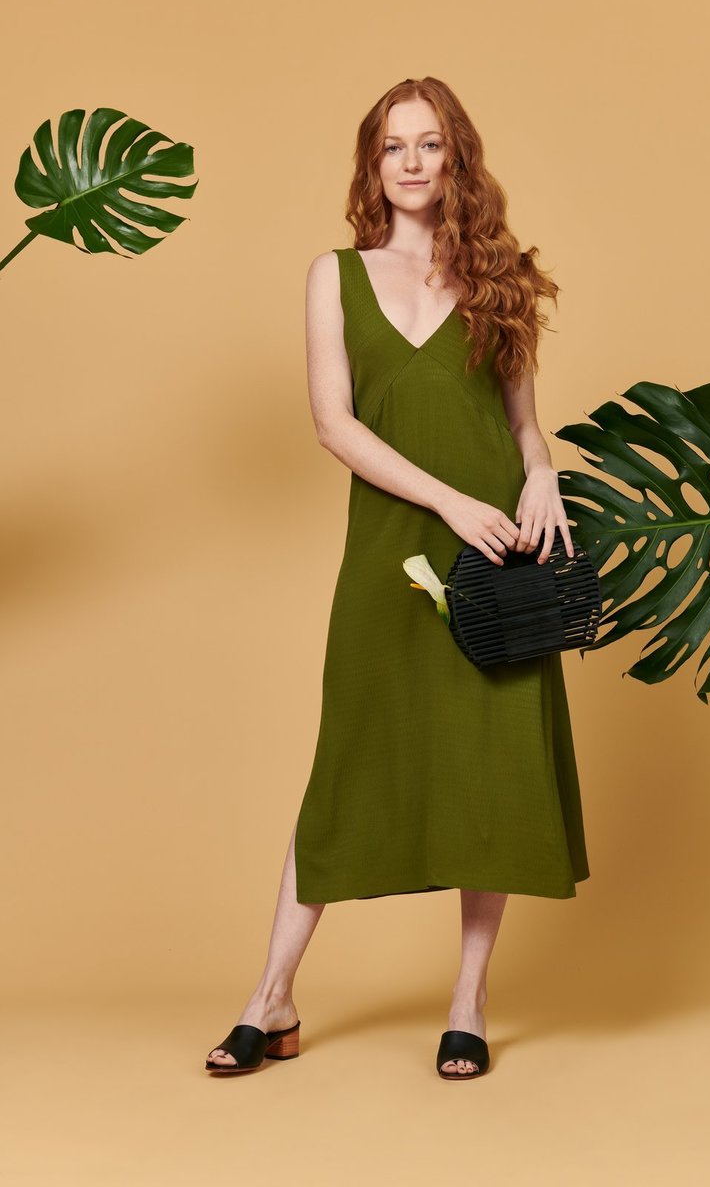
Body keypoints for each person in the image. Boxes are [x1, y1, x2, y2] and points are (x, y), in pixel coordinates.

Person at [205, 76, 590, 1081]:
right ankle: (271, 998)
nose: (411, 162)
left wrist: (540, 473)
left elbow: (522, 424)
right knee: (347, 764)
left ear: (457, 156)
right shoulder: (334, 276)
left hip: (498, 555)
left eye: (428, 143)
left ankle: (467, 1004)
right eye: (392, 146)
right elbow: (333, 424)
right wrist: (449, 502)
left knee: (489, 767)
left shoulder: (497, 278)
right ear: (371, 165)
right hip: (394, 552)